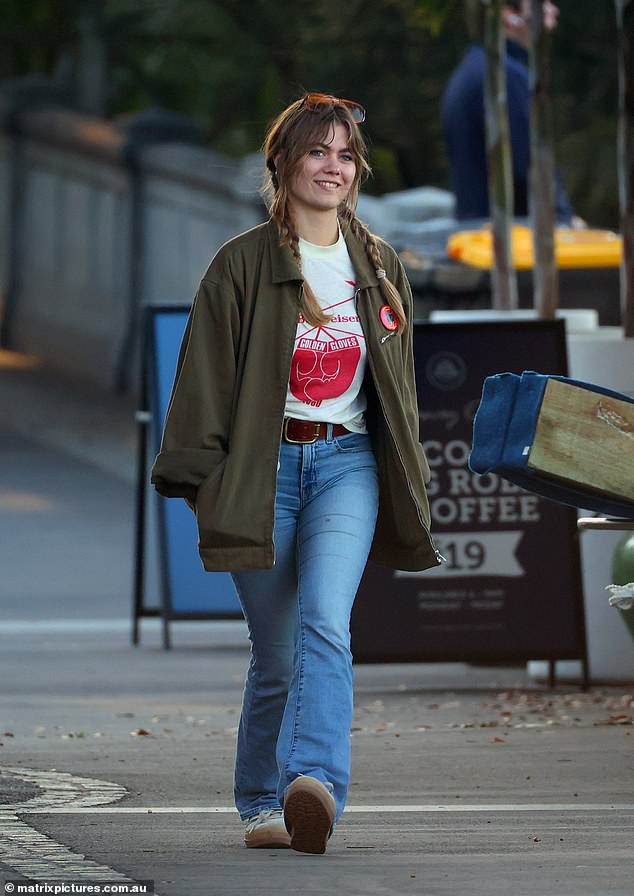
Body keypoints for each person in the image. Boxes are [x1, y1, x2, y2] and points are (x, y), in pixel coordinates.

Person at [151, 92, 440, 855]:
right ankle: (258, 801)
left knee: (325, 622)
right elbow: (204, 380)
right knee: (277, 652)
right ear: (282, 161)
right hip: (263, 469)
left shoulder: (378, 266)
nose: (333, 167)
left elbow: (399, 390)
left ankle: (313, 783)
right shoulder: (241, 264)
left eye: (345, 155)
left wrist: (409, 476)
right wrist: (197, 478)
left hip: (347, 464)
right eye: (318, 151)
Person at [441, 0, 576, 223]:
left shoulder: (474, 69)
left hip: (483, 234)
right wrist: (565, 222)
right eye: (541, 4)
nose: (553, 10)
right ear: (508, 15)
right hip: (512, 243)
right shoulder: (504, 78)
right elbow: (533, 170)